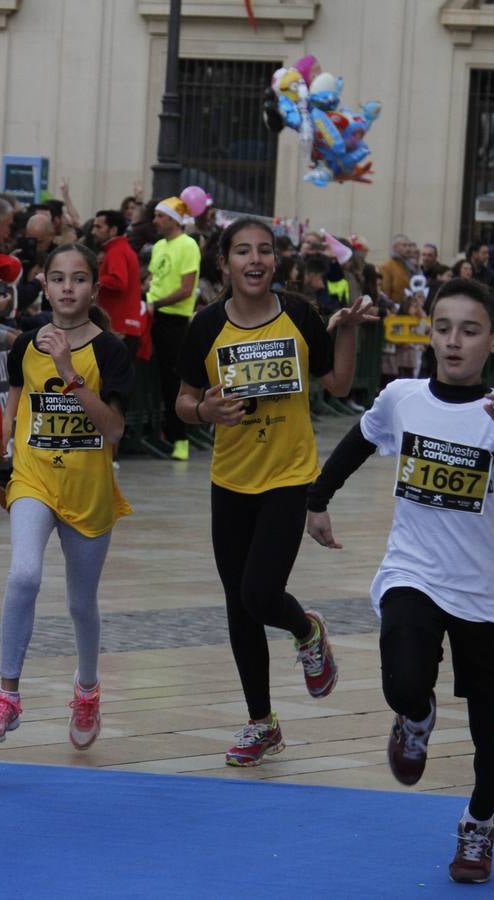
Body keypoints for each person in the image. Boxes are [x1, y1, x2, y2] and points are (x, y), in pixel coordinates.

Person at [305, 276, 494, 885]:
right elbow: (359, 440)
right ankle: (415, 719)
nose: (454, 342)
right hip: (413, 572)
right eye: (443, 328)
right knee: (406, 681)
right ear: (427, 332)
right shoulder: (403, 397)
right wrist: (318, 498)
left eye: (470, 330)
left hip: (483, 593)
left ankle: (478, 824)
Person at [174, 217, 374, 767]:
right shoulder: (205, 326)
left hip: (289, 475)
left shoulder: (301, 315)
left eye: (264, 250)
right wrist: (204, 411)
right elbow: (184, 401)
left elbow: (336, 385)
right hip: (230, 478)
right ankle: (261, 723)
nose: (254, 260)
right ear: (225, 263)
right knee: (238, 607)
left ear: (276, 263)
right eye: (243, 251)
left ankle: (305, 629)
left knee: (260, 594)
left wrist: (349, 331)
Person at [0, 243, 133, 750]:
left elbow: (113, 431)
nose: (68, 288)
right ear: (44, 285)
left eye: (79, 279)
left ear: (94, 288)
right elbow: (12, 413)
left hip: (88, 489)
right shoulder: (24, 345)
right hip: (34, 480)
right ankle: (7, 695)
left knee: (81, 603)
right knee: (23, 574)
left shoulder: (110, 350)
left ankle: (87, 689)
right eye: (58, 279)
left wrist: (69, 372)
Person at [147, 197, 202, 460]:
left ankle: (180, 438)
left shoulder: (187, 245)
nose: (155, 220)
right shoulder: (159, 246)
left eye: (160, 215)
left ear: (173, 219)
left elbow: (186, 288)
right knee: (152, 379)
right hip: (151, 315)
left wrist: (155, 304)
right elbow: (154, 278)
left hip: (173, 321)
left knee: (172, 381)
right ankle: (157, 432)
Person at [92, 209, 142, 355]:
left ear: (113, 230)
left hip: (118, 327)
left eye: (98, 227)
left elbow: (118, 281)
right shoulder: (120, 249)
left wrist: (92, 280)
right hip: (124, 327)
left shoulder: (117, 251)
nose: (93, 231)